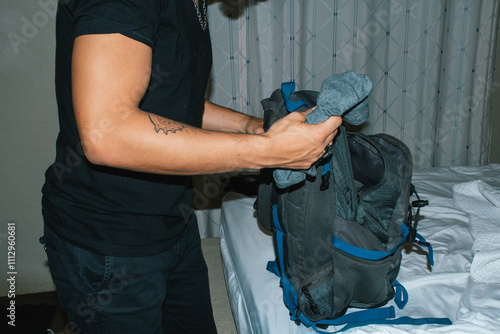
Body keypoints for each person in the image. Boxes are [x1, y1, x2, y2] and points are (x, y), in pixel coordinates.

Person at [40, 0, 342, 333]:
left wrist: (250, 127)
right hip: (107, 243)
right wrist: (269, 151)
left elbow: (169, 101)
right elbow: (110, 134)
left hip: (172, 224)